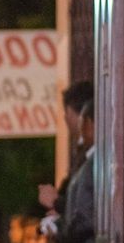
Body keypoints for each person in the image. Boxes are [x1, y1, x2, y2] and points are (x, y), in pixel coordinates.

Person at [37, 81, 93, 216]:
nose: (65, 118)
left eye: (66, 112)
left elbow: (85, 210)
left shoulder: (94, 155)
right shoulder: (84, 152)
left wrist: (56, 201)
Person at [53, 98, 95, 243]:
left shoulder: (94, 164)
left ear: (90, 124)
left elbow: (86, 218)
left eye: (82, 122)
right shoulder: (88, 161)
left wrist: (62, 233)